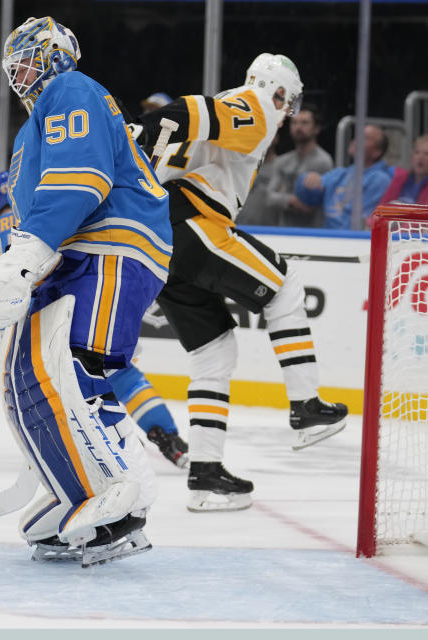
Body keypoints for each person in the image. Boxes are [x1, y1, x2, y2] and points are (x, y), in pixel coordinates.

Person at [0, 16, 172, 565]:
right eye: (16, 62)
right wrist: (19, 265)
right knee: (24, 373)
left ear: (57, 54)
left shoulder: (70, 89)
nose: (21, 70)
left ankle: (126, 494)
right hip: (72, 256)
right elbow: (37, 210)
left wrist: (24, 258)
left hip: (114, 247)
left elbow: (82, 182)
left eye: (31, 55)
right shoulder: (32, 131)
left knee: (78, 366)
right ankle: (76, 487)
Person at [137, 53, 348, 513]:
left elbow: (193, 119)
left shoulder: (240, 106)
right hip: (191, 224)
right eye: (288, 101)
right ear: (276, 91)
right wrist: (141, 126)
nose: (288, 112)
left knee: (215, 353)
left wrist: (140, 136)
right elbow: (194, 109)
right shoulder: (254, 104)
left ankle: (205, 476)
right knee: (286, 284)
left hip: (160, 237)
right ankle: (306, 407)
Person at [0, 171, 189, 468]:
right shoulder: (45, 213)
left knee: (45, 385)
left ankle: (83, 443)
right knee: (117, 372)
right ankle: (164, 437)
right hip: (82, 307)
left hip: (29, 327)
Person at [293, 124, 393, 229]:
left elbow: (360, 223)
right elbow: (306, 198)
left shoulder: (381, 180)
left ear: (377, 152)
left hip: (349, 241)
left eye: (365, 138)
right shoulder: (341, 173)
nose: (357, 140)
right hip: (328, 239)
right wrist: (306, 180)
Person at [259, 103, 333, 227]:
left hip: (314, 231)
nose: (298, 127)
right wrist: (293, 201)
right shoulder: (282, 161)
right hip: (285, 231)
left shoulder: (323, 161)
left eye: (304, 123)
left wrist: (283, 196)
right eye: (294, 123)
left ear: (316, 128)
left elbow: (322, 201)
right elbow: (269, 197)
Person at [378, 134, 428, 207]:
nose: (420, 157)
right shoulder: (402, 178)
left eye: (427, 153)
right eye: (417, 152)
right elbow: (382, 207)